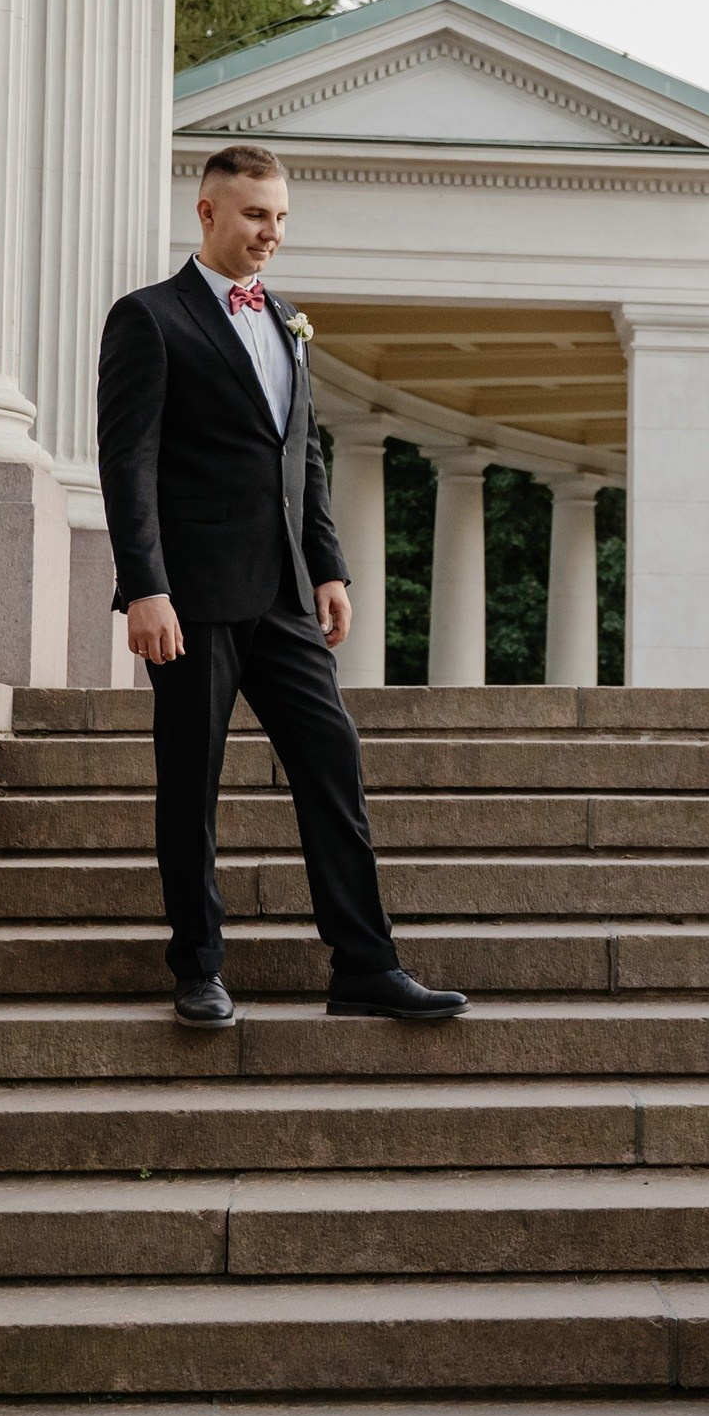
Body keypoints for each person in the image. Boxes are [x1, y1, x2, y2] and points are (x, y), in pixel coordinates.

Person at [96, 141, 465, 1030]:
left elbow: (302, 454)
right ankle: (199, 970)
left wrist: (328, 565)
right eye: (256, 214)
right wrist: (145, 587)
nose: (270, 233)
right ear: (208, 212)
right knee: (192, 782)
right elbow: (128, 460)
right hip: (191, 598)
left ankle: (366, 966)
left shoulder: (290, 321)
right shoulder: (149, 318)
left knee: (331, 768)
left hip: (286, 596)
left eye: (281, 218)